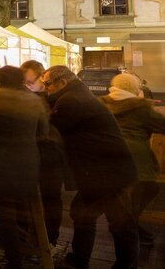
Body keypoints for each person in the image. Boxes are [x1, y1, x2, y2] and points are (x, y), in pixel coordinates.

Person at [42, 65, 139, 268]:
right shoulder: (76, 95)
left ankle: (111, 263)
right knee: (89, 215)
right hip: (106, 169)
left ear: (62, 83)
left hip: (106, 172)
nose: (45, 88)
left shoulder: (71, 100)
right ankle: (82, 258)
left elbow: (50, 129)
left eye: (47, 83)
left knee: (119, 222)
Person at [0, 66, 48, 269]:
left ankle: (13, 258)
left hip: (1, 160)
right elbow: (43, 131)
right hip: (28, 159)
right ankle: (31, 250)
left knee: (5, 212)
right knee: (24, 207)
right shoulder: (34, 100)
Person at [100, 72, 165, 246]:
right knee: (146, 190)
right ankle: (128, 229)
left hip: (109, 159)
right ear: (136, 89)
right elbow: (162, 125)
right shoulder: (140, 107)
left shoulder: (102, 103)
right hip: (136, 160)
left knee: (129, 196)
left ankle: (129, 226)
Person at [21, 59, 67, 247]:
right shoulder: (26, 98)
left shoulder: (55, 99)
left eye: (30, 82)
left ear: (42, 78)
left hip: (50, 157)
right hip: (30, 156)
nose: (27, 86)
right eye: (24, 83)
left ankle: (49, 238)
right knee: (28, 196)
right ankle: (31, 235)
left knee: (50, 197)